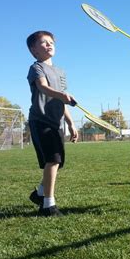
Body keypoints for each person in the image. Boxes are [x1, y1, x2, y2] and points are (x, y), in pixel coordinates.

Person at [26, 30, 78, 217]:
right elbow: (43, 87)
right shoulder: (36, 67)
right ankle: (48, 205)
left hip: (56, 123)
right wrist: (61, 95)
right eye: (44, 42)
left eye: (51, 42)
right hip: (40, 121)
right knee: (53, 160)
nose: (49, 44)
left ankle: (39, 193)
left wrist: (71, 124)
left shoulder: (60, 72)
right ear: (34, 50)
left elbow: (62, 101)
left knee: (57, 161)